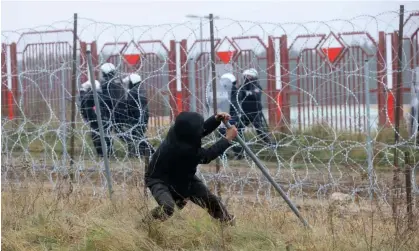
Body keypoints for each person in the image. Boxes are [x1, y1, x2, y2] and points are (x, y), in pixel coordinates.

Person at [144, 111, 237, 224]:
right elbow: (208, 155)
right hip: (159, 179)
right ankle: (145, 225)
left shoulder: (177, 132)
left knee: (211, 201)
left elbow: (200, 130)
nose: (201, 129)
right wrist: (227, 139)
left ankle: (228, 224)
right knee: (168, 207)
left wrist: (215, 119)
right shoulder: (185, 150)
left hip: (183, 176)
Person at [233, 68, 272, 158]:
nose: (247, 78)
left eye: (249, 76)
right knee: (237, 131)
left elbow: (255, 95)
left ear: (254, 77)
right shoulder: (241, 87)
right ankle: (240, 152)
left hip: (256, 113)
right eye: (246, 76)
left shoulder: (257, 87)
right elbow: (238, 96)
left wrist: (247, 93)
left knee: (260, 131)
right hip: (244, 113)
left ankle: (271, 147)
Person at [123, 73, 155, 158]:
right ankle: (142, 153)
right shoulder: (140, 90)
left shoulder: (133, 92)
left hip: (136, 118)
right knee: (138, 136)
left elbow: (129, 107)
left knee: (138, 137)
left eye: (129, 82)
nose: (128, 84)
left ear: (132, 82)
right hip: (142, 117)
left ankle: (151, 152)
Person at [99, 62, 127, 156]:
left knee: (106, 133)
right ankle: (135, 146)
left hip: (107, 113)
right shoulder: (118, 83)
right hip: (119, 112)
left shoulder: (104, 85)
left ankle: (108, 152)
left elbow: (105, 99)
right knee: (121, 132)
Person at [79, 79, 111, 157]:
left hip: (94, 119)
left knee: (97, 136)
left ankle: (101, 154)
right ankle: (107, 153)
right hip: (103, 118)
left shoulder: (89, 97)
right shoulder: (101, 95)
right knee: (104, 135)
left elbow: (84, 109)